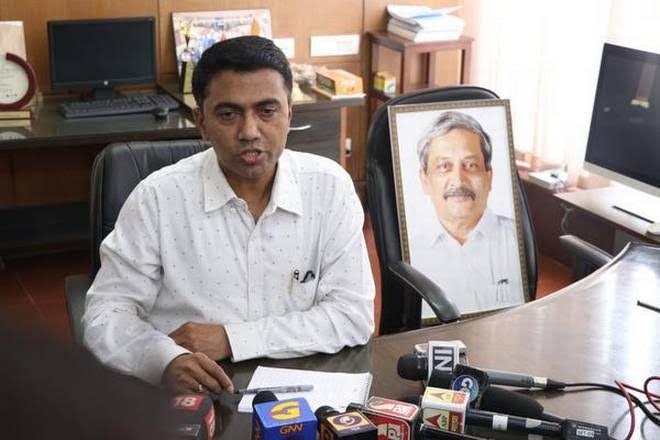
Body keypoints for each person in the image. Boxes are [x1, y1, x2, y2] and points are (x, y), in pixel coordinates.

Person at [82, 36, 374, 394]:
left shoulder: (329, 187)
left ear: (289, 113)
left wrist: (232, 339)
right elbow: (106, 314)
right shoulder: (157, 198)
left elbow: (352, 316)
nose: (249, 132)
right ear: (201, 121)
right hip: (191, 392)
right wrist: (163, 359)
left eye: (267, 110)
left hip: (303, 386)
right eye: (228, 114)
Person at [410, 110, 524, 315]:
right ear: (425, 180)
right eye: (444, 166)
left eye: (471, 165)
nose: (458, 180)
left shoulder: (518, 239)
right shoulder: (410, 251)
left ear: (489, 177)